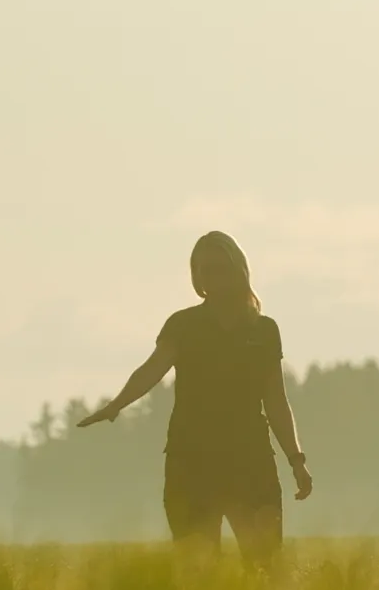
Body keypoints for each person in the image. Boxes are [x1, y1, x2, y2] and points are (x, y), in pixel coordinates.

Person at [76, 232, 313, 566]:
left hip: (250, 461)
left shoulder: (263, 331)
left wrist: (296, 460)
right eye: (204, 270)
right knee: (197, 571)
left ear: (239, 270)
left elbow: (276, 400)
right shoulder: (183, 325)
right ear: (196, 277)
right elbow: (151, 370)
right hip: (191, 463)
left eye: (220, 268)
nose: (212, 277)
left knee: (265, 567)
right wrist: (116, 406)